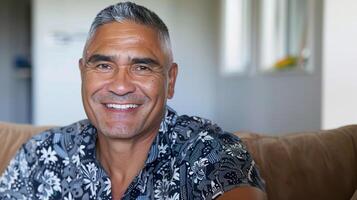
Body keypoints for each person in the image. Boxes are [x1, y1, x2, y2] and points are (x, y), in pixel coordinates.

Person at [0, 2, 265, 199]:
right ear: (83, 73)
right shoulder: (40, 154)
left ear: (170, 80)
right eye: (103, 65)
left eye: (142, 67)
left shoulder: (210, 152)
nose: (120, 86)